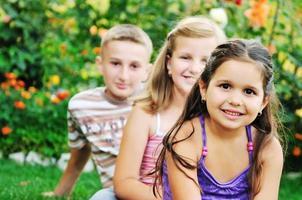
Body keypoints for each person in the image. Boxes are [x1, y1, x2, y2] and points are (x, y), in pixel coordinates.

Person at [90, 16, 225, 200]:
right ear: (169, 63)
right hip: (147, 196)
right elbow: (124, 182)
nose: (194, 68)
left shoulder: (220, 120)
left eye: (205, 61)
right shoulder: (147, 112)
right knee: (103, 197)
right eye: (185, 57)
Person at [154, 39, 285, 200]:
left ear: (263, 102)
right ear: (204, 88)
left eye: (249, 91)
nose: (235, 100)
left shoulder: (267, 147)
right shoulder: (185, 139)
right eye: (225, 86)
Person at [43, 24, 153, 197]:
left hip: (155, 189)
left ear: (147, 71)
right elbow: (79, 154)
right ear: (100, 64)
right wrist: (59, 194)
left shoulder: (155, 101)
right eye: (115, 63)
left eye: (134, 66)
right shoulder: (81, 106)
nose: (124, 75)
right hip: (116, 193)